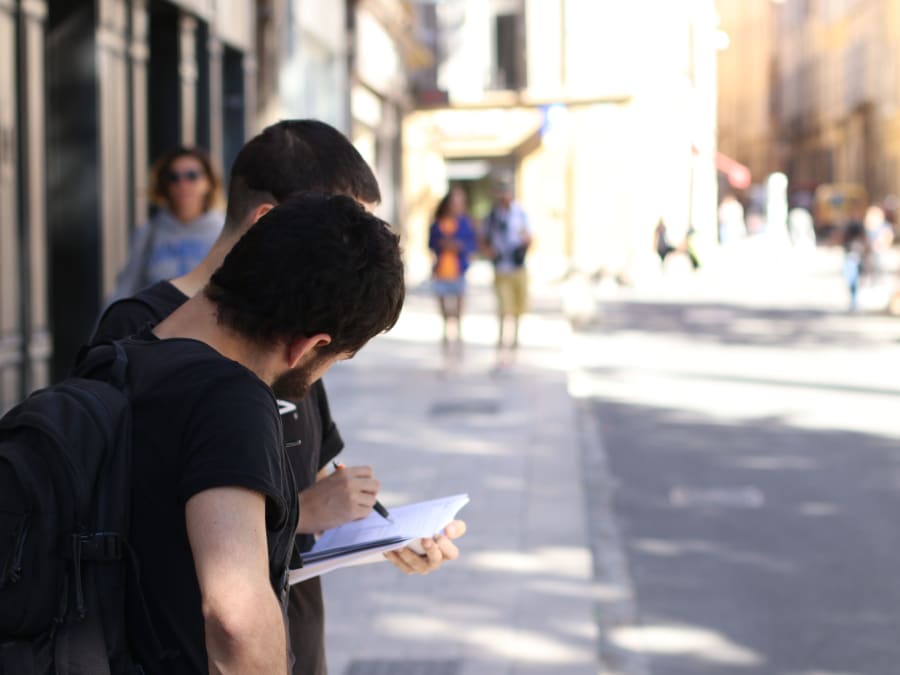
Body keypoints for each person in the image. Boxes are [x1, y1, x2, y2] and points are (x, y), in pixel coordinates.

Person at [86, 120, 465, 675]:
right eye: (335, 226)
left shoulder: (278, 345)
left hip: (290, 634)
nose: (346, 249)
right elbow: (220, 601)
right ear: (272, 224)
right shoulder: (196, 365)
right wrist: (304, 512)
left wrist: (381, 532)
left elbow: (306, 477)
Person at [108, 193, 405, 673]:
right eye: (333, 361)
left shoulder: (119, 355)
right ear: (309, 345)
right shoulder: (231, 401)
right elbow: (236, 620)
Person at [110, 146, 225, 302]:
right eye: (173, 177)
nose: (182, 184)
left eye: (192, 176)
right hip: (158, 323)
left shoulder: (226, 230)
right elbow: (126, 288)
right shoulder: (149, 233)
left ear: (208, 182)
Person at [482, 179, 532, 364]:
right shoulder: (492, 216)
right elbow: (483, 238)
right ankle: (503, 341)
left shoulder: (520, 214)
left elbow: (531, 237)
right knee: (504, 308)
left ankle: (515, 341)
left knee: (519, 307)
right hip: (501, 267)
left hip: (518, 266)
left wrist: (524, 242)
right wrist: (490, 253)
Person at [428, 186, 477, 353]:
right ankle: (446, 339)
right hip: (442, 271)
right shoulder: (438, 223)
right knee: (444, 310)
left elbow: (471, 245)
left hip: (458, 271)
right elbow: (431, 243)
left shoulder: (465, 223)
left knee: (458, 310)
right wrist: (441, 245)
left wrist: (459, 247)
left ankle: (458, 339)